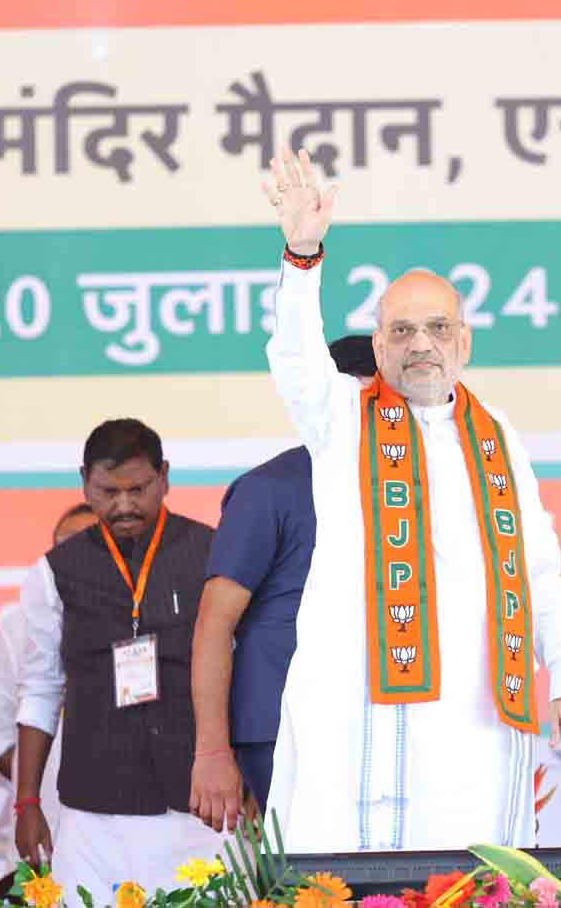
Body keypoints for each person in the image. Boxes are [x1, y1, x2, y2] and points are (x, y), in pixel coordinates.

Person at [261, 148, 561, 852]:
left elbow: (540, 571)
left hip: (470, 718)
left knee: (466, 879)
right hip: (356, 709)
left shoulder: (498, 436)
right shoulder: (339, 415)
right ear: (378, 346)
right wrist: (301, 255)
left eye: (438, 328)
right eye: (402, 330)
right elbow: (293, 355)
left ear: (464, 342)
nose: (421, 344)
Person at [15, 419, 224, 898]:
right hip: (94, 811)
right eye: (108, 491)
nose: (124, 504)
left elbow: (243, 674)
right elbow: (40, 688)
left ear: (165, 478)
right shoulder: (54, 572)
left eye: (139, 489)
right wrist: (27, 802)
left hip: (197, 805)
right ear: (84, 481)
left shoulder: (214, 554)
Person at [189, 335, 376, 831]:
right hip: (285, 731)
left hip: (385, 727)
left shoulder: (413, 490)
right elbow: (214, 624)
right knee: (313, 886)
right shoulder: (268, 489)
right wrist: (212, 751)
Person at [0, 504, 98, 890]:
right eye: (65, 549)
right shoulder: (18, 625)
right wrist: (38, 779)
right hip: (47, 817)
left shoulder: (146, 614)